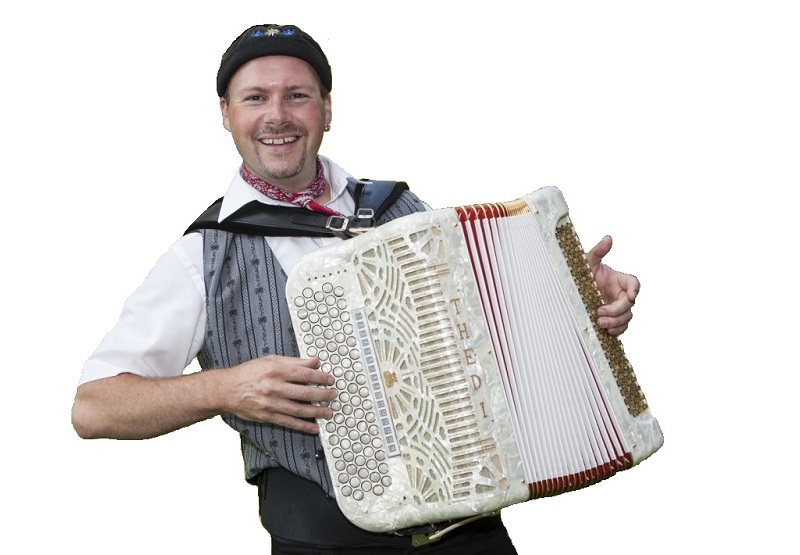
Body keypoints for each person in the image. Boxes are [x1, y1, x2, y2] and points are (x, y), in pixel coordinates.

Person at [72, 24, 640, 554]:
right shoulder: (202, 255)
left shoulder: (400, 210)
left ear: (326, 108)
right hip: (326, 540)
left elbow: (483, 335)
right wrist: (222, 388)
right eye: (255, 98)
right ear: (226, 113)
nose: (277, 115)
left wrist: (578, 295)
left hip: (475, 530)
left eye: (297, 96)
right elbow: (94, 407)